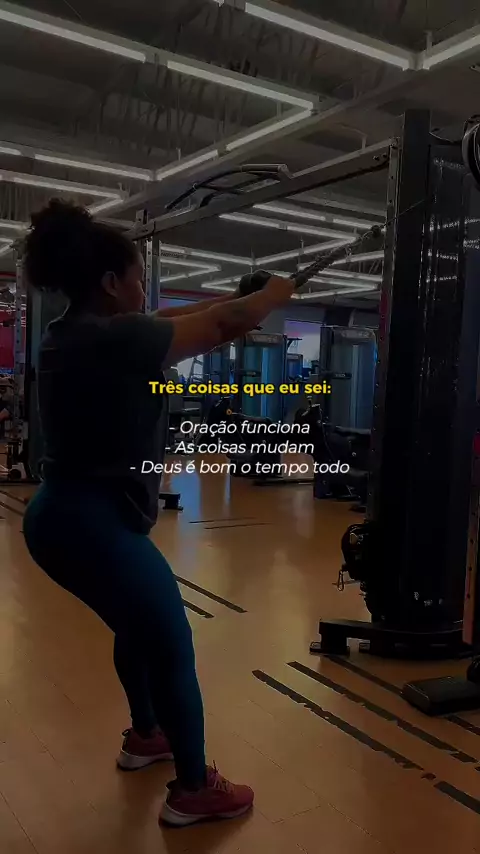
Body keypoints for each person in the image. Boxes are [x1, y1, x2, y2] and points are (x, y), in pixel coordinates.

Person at [21, 199, 296, 828]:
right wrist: (273, 295)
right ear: (110, 283)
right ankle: (194, 789)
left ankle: (148, 734)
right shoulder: (115, 339)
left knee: (135, 626)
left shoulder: (74, 333)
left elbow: (185, 318)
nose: (145, 290)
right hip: (91, 523)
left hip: (63, 517)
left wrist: (241, 300)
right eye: (139, 278)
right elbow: (219, 326)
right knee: (171, 643)